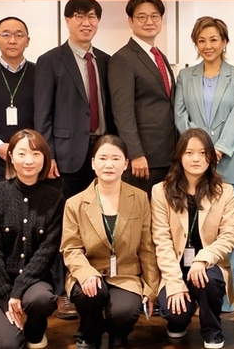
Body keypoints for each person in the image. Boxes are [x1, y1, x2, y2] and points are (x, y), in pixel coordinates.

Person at [34, 0, 115, 319]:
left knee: (100, 223)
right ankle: (63, 291)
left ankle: (98, 286)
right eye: (79, 16)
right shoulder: (50, 60)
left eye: (92, 16)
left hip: (103, 154)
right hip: (66, 156)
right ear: (67, 20)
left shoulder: (106, 61)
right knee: (63, 225)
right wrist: (48, 154)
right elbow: (43, 113)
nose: (86, 22)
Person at [173, 16, 234, 312]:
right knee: (193, 228)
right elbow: (180, 114)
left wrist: (218, 149)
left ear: (224, 42)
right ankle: (192, 291)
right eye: (201, 40)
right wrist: (199, 149)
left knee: (226, 230)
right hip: (193, 162)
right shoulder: (185, 76)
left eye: (214, 39)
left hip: (227, 161)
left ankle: (224, 297)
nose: (208, 45)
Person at [61, 135, 160, 349]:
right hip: (90, 271)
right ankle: (90, 332)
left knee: (125, 312)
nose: (109, 164)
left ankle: (118, 334)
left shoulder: (140, 198)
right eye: (103, 158)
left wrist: (151, 289)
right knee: (89, 294)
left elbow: (147, 248)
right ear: (93, 163)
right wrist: (86, 273)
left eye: (116, 158)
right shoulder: (75, 203)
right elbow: (71, 248)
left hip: (126, 274)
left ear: (125, 164)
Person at [0, 129, 64, 349]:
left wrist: (18, 291)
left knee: (42, 300)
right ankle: (5, 329)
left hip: (34, 283)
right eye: (22, 153)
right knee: (7, 345)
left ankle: (35, 332)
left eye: (36, 154)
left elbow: (46, 254)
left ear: (44, 158)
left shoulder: (54, 199)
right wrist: (6, 296)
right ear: (11, 157)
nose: (29, 160)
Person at [151, 128, 234, 348]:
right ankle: (178, 322)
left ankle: (212, 331)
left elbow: (229, 235)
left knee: (209, 279)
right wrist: (174, 282)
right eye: (189, 153)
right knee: (175, 312)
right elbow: (161, 241)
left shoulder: (225, 191)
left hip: (208, 266)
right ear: (179, 156)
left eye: (202, 152)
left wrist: (203, 258)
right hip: (174, 266)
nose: (196, 158)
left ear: (211, 156)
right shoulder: (160, 191)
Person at [108, 0, 177, 196]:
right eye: (142, 17)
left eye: (155, 16)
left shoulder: (160, 56)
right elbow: (123, 111)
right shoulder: (123, 58)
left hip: (168, 154)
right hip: (144, 159)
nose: (149, 22)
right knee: (141, 211)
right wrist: (135, 153)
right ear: (130, 21)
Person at [0, 16, 36, 185]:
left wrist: (33, 149)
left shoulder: (41, 73)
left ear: (27, 41)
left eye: (19, 35)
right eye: (6, 35)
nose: (12, 40)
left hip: (33, 157)